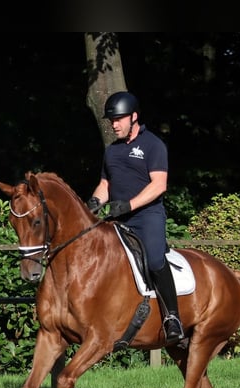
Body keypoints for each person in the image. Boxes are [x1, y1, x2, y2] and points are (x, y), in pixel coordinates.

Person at [87, 91, 184, 345]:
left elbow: (159, 185)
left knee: (153, 260)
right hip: (118, 218)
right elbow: (105, 184)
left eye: (118, 119)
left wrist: (129, 204)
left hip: (147, 216)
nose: (114, 125)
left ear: (134, 117)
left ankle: (172, 317)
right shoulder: (112, 151)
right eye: (111, 120)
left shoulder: (153, 145)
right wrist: (94, 203)